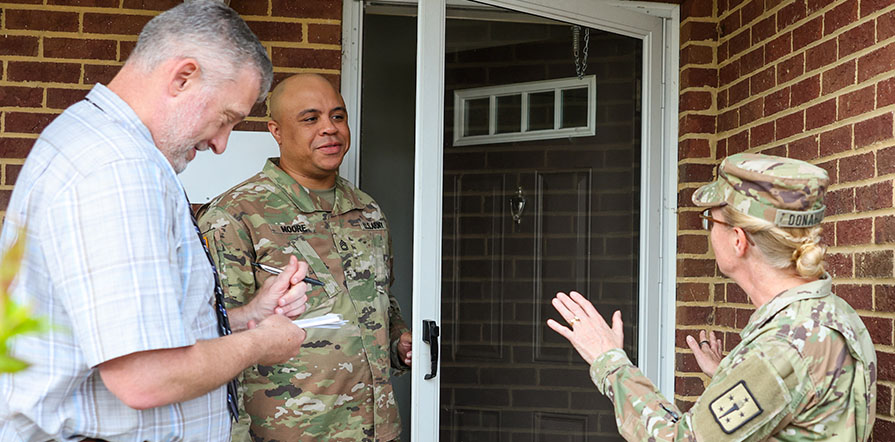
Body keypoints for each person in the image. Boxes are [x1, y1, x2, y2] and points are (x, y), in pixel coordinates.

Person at [0, 2, 312, 440]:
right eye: (226, 119)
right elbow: (145, 376)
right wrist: (261, 343)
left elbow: (124, 332)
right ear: (182, 78)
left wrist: (247, 317)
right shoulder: (120, 169)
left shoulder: (99, 141)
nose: (222, 144)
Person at [548, 153, 877, 441]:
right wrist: (730, 374)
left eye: (710, 219)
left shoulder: (783, 349)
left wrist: (609, 361)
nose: (707, 230)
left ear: (738, 240)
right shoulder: (831, 312)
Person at [197, 73, 412, 442]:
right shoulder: (235, 215)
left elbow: (380, 302)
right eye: (310, 118)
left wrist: (398, 342)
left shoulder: (367, 210)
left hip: (377, 430)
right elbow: (215, 334)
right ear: (276, 131)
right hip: (286, 433)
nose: (329, 129)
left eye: (338, 116)